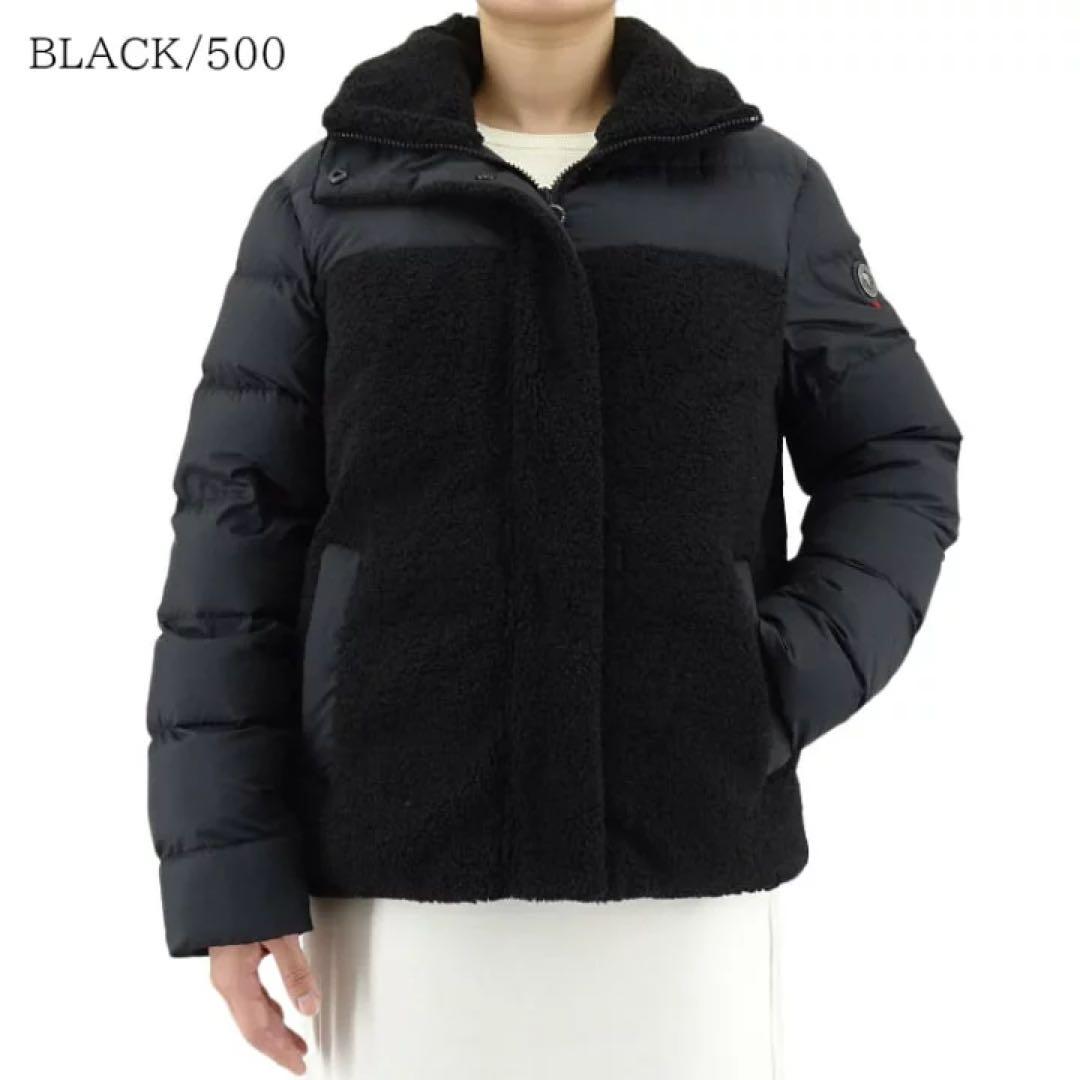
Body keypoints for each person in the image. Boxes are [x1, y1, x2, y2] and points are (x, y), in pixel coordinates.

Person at [145, 4, 962, 1078]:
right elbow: (235, 526)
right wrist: (230, 869)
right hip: (395, 897)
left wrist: (765, 681)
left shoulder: (766, 192)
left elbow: (895, 456)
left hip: (687, 894)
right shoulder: (329, 198)